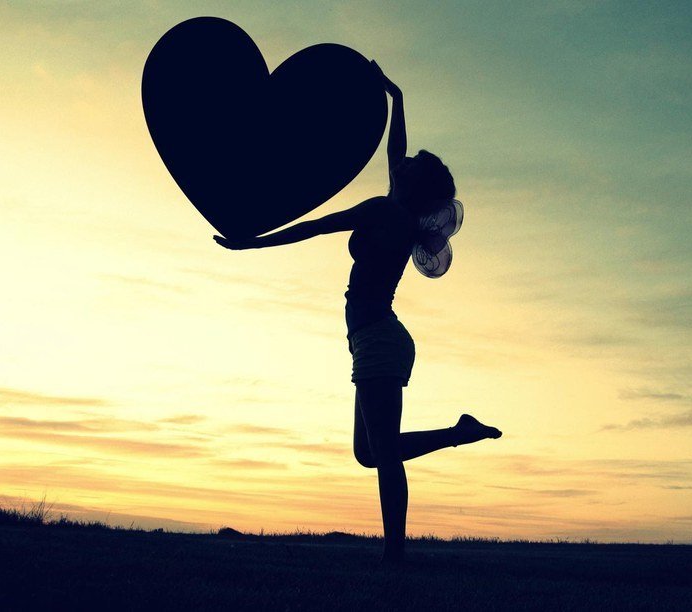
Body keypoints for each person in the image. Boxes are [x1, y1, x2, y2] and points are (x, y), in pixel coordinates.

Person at [215, 61, 502, 565]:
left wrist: (253, 242)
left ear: (413, 183)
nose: (402, 162)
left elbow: (316, 226)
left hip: (378, 338)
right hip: (374, 337)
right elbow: (395, 153)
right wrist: (397, 98)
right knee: (369, 452)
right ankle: (460, 433)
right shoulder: (400, 211)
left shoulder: (382, 211)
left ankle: (394, 558)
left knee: (383, 454)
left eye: (411, 164)